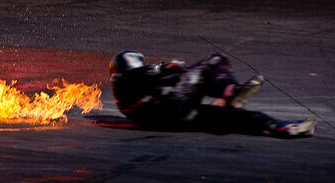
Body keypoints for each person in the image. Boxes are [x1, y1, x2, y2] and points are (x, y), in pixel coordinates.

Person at [109, 51, 317, 138]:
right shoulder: (125, 82)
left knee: (233, 118)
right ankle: (231, 92)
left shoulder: (133, 95)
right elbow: (140, 74)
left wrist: (181, 73)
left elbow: (176, 79)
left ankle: (283, 128)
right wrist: (165, 67)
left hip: (177, 118)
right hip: (172, 108)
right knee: (214, 61)